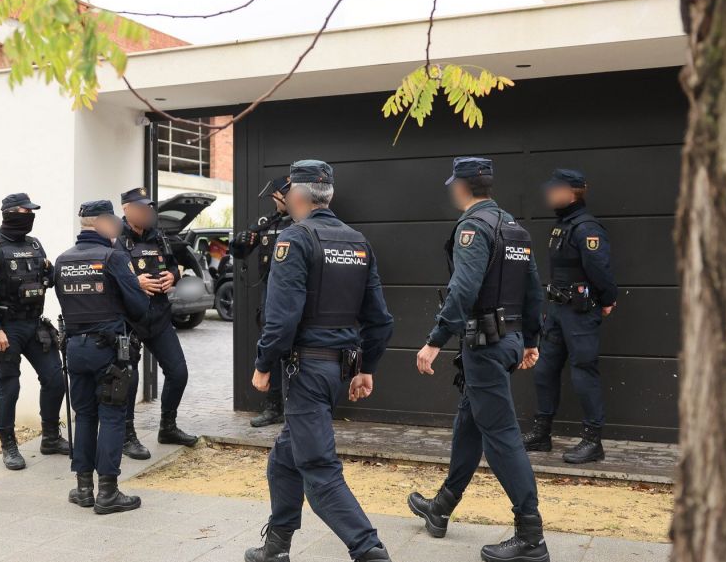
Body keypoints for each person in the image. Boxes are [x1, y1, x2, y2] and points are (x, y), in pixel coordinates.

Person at [246, 160, 395, 562]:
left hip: (307, 370)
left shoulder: (294, 240)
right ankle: (277, 546)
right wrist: (366, 368)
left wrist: (262, 366)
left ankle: (369, 550)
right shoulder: (357, 241)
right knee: (284, 458)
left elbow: (281, 318)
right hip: (337, 369)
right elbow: (380, 320)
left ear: (296, 194)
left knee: (317, 465)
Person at [407, 157, 550, 562]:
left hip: (485, 346)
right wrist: (530, 340)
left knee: (501, 435)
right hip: (508, 341)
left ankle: (530, 536)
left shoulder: (474, 226)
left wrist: (435, 340)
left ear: (461, 187)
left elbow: (463, 289)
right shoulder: (513, 226)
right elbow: (533, 288)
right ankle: (441, 507)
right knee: (470, 422)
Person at [54, 200, 150, 514]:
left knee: (84, 416)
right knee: (111, 416)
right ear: (104, 223)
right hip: (109, 352)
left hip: (75, 350)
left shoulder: (62, 260)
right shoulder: (114, 257)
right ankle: (108, 492)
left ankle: (83, 488)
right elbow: (139, 306)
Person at [522, 169, 617, 465]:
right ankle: (542, 433)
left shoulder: (587, 228)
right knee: (544, 369)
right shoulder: (562, 225)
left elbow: (600, 268)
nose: (549, 194)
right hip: (558, 311)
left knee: (583, 371)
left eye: (555, 189)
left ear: (572, 192)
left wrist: (608, 298)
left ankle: (593, 440)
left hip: (580, 312)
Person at [0, 193, 70, 470]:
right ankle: (8, 445)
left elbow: (47, 280)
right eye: (23, 211)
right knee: (9, 385)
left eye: (31, 211)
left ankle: (51, 437)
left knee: (55, 379)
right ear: (8, 213)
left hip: (35, 324)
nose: (29, 215)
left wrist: (52, 272)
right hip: (8, 327)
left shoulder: (34, 244)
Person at [117, 187, 199, 460]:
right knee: (128, 378)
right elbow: (105, 278)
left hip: (160, 317)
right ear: (127, 209)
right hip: (129, 320)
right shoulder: (114, 240)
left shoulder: (159, 236)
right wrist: (133, 283)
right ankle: (127, 436)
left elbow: (175, 265)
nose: (147, 212)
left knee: (179, 372)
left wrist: (172, 277)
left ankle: (168, 426)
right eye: (140, 208)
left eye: (148, 208)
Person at [230, 176, 292, 427]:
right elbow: (239, 250)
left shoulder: (306, 222)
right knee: (272, 348)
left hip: (299, 295)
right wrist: (240, 243)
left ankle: (299, 408)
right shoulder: (267, 223)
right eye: (282, 194)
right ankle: (274, 406)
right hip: (271, 295)